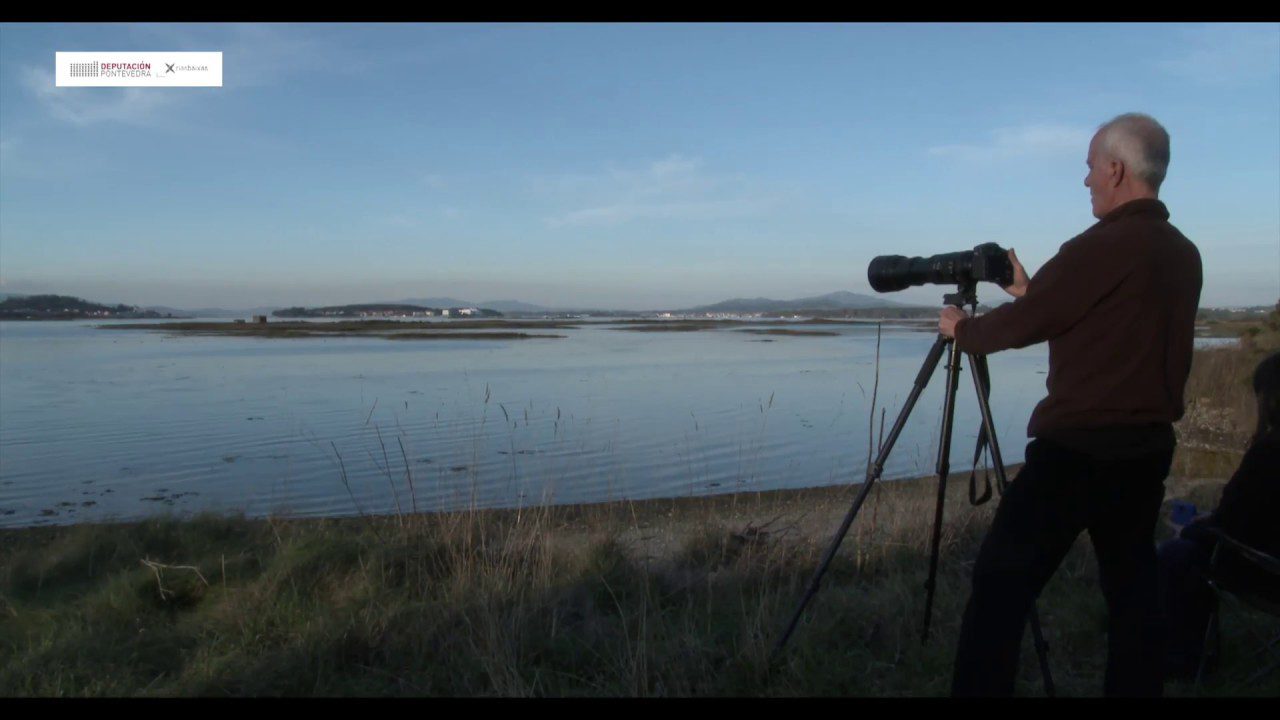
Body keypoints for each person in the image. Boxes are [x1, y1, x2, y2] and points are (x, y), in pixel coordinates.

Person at [938, 112, 1203, 696]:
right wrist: (1033, 291)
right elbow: (1107, 325)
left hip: (1078, 453)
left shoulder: (1099, 245)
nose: (1086, 181)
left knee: (1000, 584)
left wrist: (963, 331)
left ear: (1114, 168)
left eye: (1088, 168)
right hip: (1147, 450)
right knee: (1133, 591)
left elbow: (1025, 327)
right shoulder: (1183, 253)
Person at [1158, 351, 1280, 681]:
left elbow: (1228, 526)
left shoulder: (1268, 454)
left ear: (1268, 400)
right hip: (1267, 556)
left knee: (1176, 555)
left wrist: (1188, 529)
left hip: (1265, 574)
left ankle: (1188, 660)